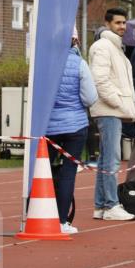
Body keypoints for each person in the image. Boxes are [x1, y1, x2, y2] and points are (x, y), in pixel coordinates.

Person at [89, 8, 135, 221]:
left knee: (106, 160)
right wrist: (118, 102)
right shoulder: (103, 47)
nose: (122, 26)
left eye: (124, 22)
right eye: (118, 23)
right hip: (109, 110)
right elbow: (99, 79)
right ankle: (110, 205)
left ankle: (101, 205)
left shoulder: (115, 48)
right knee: (111, 159)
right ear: (107, 23)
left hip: (112, 109)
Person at [45, 36, 98, 233]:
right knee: (68, 173)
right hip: (75, 125)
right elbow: (90, 97)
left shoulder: (45, 64)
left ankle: (35, 213)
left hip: (49, 125)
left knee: (43, 170)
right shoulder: (79, 64)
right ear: (75, 42)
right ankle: (61, 221)